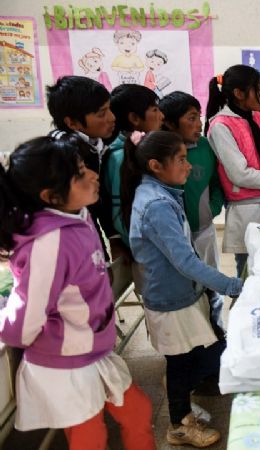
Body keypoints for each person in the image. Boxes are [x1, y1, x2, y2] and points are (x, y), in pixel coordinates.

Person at [0, 135, 155, 450]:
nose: (93, 175)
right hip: (64, 362)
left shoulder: (77, 216)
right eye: (81, 172)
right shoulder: (49, 242)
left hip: (92, 349)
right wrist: (9, 328)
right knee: (89, 438)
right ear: (51, 195)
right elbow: (27, 314)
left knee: (138, 414)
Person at [122, 131, 243, 447]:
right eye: (181, 160)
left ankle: (180, 398)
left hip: (180, 294)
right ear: (155, 165)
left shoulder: (159, 192)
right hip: (171, 299)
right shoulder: (157, 204)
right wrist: (232, 286)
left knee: (199, 356)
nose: (188, 167)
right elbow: (186, 262)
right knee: (189, 361)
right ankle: (178, 424)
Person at [206, 65, 260, 278]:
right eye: (257, 89)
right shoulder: (220, 126)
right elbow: (239, 174)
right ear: (239, 94)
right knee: (248, 279)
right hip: (246, 211)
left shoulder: (256, 117)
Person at [46, 75, 116, 260]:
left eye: (109, 109)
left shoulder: (95, 142)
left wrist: (112, 236)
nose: (111, 118)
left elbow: (97, 200)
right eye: (102, 113)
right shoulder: (62, 150)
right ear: (72, 123)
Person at [160, 91, 225, 269]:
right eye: (191, 118)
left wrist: (212, 209)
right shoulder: (159, 152)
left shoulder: (204, 145)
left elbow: (216, 182)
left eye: (199, 117)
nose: (198, 124)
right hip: (175, 237)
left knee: (212, 281)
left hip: (204, 229)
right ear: (170, 123)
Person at [107, 84, 164, 249]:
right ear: (134, 118)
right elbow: (122, 213)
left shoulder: (144, 148)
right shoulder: (120, 157)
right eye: (155, 110)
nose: (161, 115)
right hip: (143, 247)